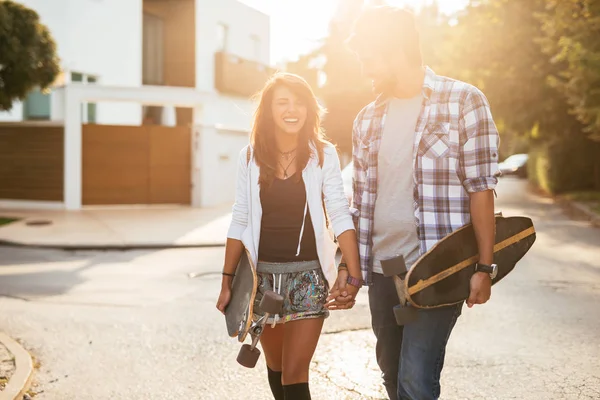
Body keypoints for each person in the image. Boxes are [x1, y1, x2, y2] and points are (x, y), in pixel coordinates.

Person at [334, 6, 501, 400]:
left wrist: (485, 267)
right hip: (381, 271)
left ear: (395, 50)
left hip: (437, 268)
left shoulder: (464, 101)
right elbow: (360, 203)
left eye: (369, 58)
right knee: (392, 376)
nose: (365, 69)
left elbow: (481, 189)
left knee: (416, 380)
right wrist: (349, 267)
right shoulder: (367, 120)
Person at [215, 72, 362, 400]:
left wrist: (353, 271)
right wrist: (227, 281)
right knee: (277, 371)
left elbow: (339, 212)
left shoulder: (322, 154)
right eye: (282, 102)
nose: (291, 109)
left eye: (299, 102)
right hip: (262, 279)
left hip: (309, 277)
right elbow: (240, 219)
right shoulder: (250, 157)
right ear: (268, 110)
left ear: (310, 110)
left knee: (296, 375)